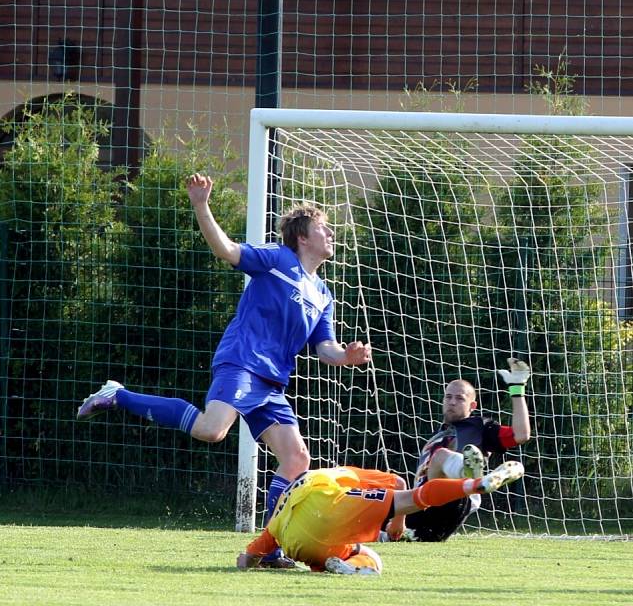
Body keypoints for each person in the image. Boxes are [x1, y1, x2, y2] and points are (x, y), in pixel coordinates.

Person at [77, 174, 371, 566]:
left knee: (297, 459)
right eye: (323, 227)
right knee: (211, 430)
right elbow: (228, 250)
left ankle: (269, 550)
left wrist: (346, 356)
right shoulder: (278, 260)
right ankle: (118, 394)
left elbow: (326, 349)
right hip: (243, 361)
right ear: (302, 236)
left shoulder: (323, 294)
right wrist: (201, 205)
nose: (331, 232)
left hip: (271, 381)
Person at [236, 459, 525, 575]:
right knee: (414, 499)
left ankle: (334, 566)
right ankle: (475, 485)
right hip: (328, 500)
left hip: (296, 540)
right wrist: (397, 523)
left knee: (342, 551)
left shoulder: (276, 521)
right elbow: (399, 484)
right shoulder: (334, 473)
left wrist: (250, 560)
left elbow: (245, 561)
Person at [384, 357, 531, 543]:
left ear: (472, 406)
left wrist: (517, 389)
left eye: (459, 398)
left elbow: (521, 435)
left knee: (440, 457)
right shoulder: (435, 437)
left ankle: (471, 475)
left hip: (453, 500)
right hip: (420, 510)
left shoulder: (480, 427)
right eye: (448, 397)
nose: (452, 402)